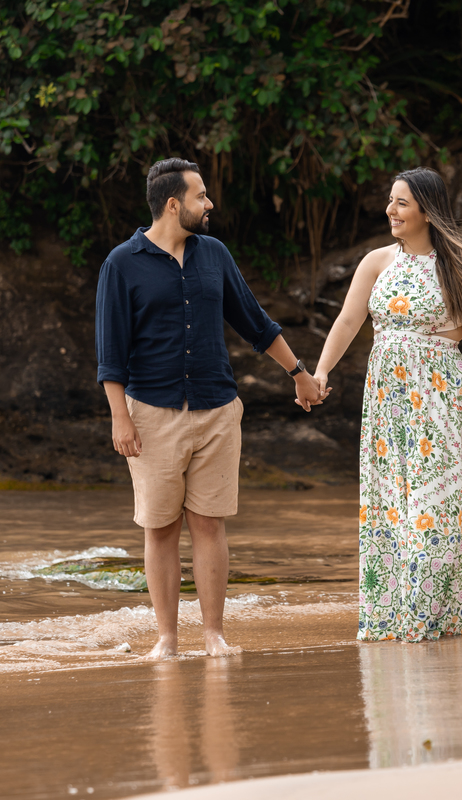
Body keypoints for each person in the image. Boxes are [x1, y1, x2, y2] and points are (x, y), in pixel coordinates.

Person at [96, 157, 326, 659]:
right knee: (160, 528)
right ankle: (167, 639)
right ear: (172, 204)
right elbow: (111, 352)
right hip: (150, 413)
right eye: (201, 196)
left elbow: (255, 322)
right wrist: (120, 417)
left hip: (218, 409)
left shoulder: (214, 254)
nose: (210, 204)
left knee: (209, 524)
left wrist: (300, 374)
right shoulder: (121, 263)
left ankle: (214, 636)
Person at [313, 167, 462, 642]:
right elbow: (349, 320)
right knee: (390, 503)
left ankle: (429, 616)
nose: (390, 211)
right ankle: (391, 615)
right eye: (391, 201)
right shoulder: (377, 261)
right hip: (387, 401)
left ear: (427, 211)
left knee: (435, 504)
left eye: (401, 203)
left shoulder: (461, 266)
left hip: (439, 396)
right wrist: (322, 370)